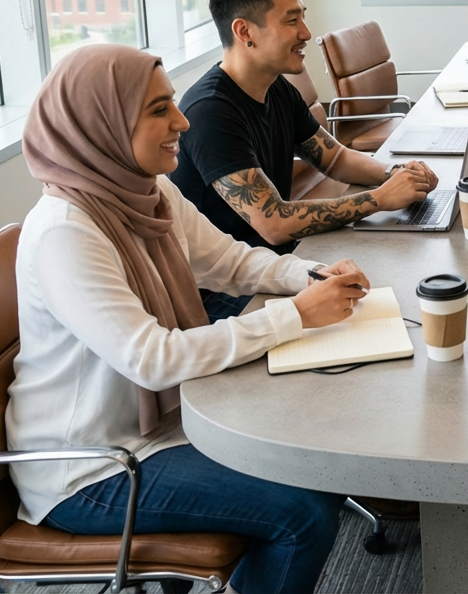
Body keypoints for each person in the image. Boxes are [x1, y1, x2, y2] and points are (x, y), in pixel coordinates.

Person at [10, 44, 374, 593]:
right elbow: (151, 359)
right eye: (159, 110)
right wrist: (294, 318)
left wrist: (311, 276)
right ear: (102, 124)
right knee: (302, 512)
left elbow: (226, 260)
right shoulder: (66, 231)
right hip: (95, 469)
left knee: (311, 463)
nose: (181, 121)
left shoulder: (146, 191)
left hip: (162, 429)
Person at [170, 0, 437, 317]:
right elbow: (275, 223)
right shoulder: (210, 111)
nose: (307, 32)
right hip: (223, 291)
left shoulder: (275, 86)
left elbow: (334, 159)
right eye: (291, 20)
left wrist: (397, 175)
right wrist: (379, 200)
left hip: (276, 265)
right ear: (244, 31)